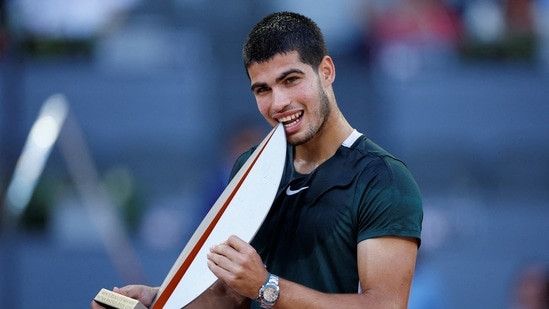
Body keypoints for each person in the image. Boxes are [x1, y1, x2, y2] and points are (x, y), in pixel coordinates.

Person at [91, 11, 423, 309]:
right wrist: (159, 299)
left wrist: (266, 287)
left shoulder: (384, 179)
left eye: (291, 80)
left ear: (326, 72)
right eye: (262, 90)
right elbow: (229, 293)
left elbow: (386, 306)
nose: (279, 102)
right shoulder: (251, 167)